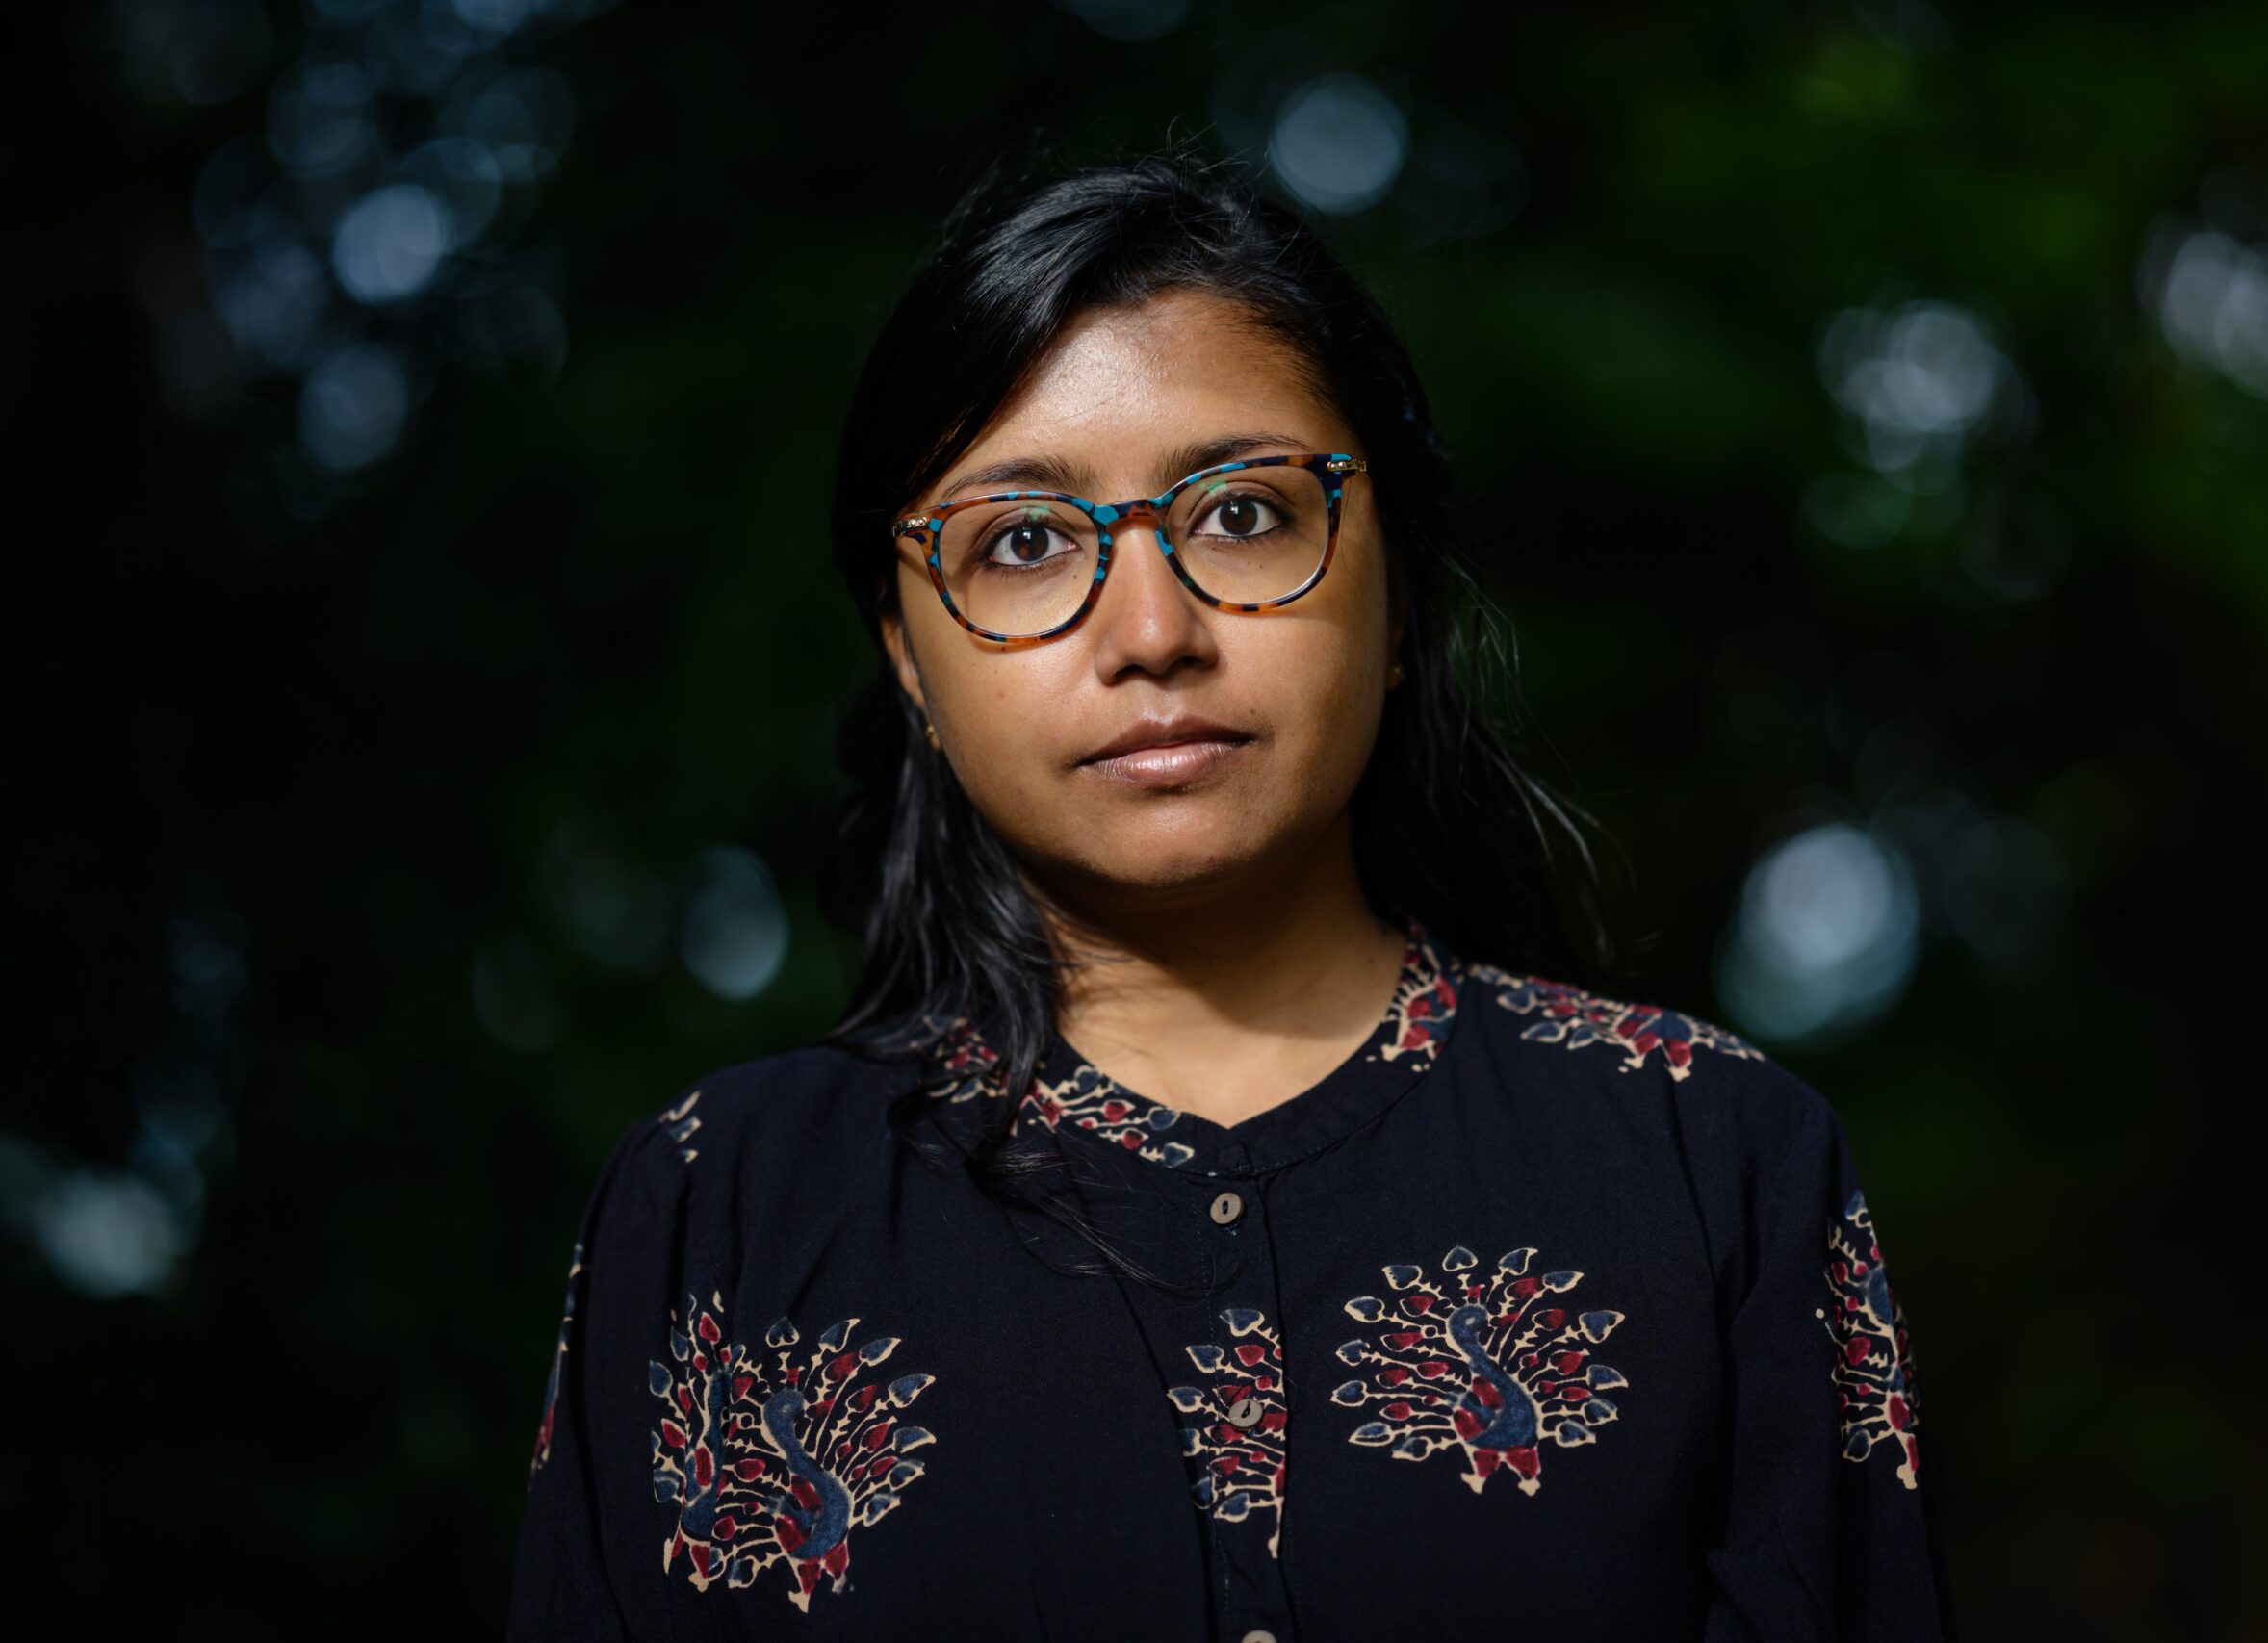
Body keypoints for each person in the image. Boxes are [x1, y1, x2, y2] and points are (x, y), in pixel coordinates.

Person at [506, 145, 1955, 1641]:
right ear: (907, 657)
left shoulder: (1715, 1163)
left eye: (1245, 515)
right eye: (1019, 543)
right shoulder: (716, 1212)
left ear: (1400, 589)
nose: (1151, 631)